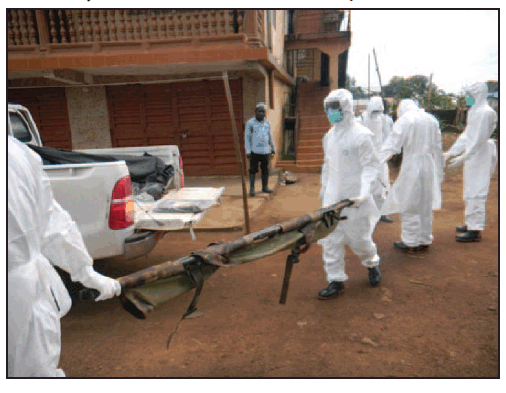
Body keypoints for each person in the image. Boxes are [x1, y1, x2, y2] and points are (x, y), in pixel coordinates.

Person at [8, 136, 121, 377]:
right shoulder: (17, 153)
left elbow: (50, 219)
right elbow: (52, 221)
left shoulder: (17, 154)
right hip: (25, 297)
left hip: (24, 292)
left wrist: (86, 272)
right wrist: (85, 272)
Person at [317, 89, 382, 300]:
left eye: (334, 109)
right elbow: (327, 165)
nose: (331, 113)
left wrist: (364, 193)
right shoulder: (329, 136)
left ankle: (372, 263)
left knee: (360, 240)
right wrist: (323, 187)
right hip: (332, 199)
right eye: (328, 109)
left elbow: (370, 167)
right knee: (330, 240)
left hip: (354, 199)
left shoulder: (361, 135)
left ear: (345, 108)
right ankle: (335, 280)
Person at [377, 99, 444, 252]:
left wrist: (374, 164)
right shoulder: (431, 119)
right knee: (425, 203)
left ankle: (410, 241)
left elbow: (392, 146)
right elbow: (438, 149)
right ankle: (425, 238)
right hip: (429, 164)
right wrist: (440, 171)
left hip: (412, 165)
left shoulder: (406, 120)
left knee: (410, 202)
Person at [444, 82, 498, 242]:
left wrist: (462, 157)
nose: (467, 99)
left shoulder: (485, 112)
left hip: (481, 154)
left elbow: (479, 140)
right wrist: (450, 153)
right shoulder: (474, 111)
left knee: (477, 191)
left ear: (478, 94)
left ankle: (476, 230)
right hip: (473, 155)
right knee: (469, 191)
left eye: (469, 95)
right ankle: (470, 222)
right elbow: (467, 136)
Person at [358, 96, 394, 223]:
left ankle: (382, 213)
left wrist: (385, 155)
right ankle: (366, 213)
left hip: (381, 159)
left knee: (383, 185)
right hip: (366, 159)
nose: (376, 114)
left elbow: (389, 138)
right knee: (366, 185)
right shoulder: (361, 119)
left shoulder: (385, 120)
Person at [245, 102, 275, 196]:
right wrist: (248, 151)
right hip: (254, 151)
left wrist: (272, 148)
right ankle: (252, 189)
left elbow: (269, 136)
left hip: (266, 151)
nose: (261, 113)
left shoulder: (267, 123)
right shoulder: (250, 123)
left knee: (265, 169)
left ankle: (265, 187)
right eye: (259, 111)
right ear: (255, 112)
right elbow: (247, 137)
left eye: (263, 111)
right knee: (253, 170)